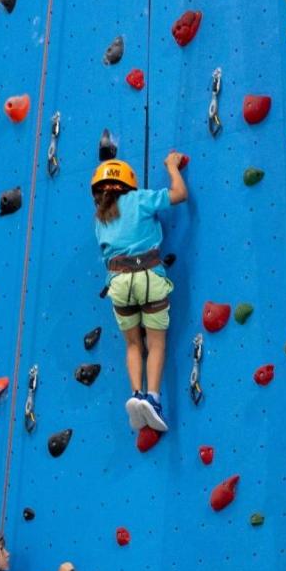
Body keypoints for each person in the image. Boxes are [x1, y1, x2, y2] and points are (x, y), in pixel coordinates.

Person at [92, 153, 189, 433]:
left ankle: (136, 395)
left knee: (134, 344)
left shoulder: (100, 220)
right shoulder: (141, 199)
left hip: (118, 284)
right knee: (156, 344)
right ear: (128, 183)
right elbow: (179, 194)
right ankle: (154, 399)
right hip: (148, 275)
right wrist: (171, 166)